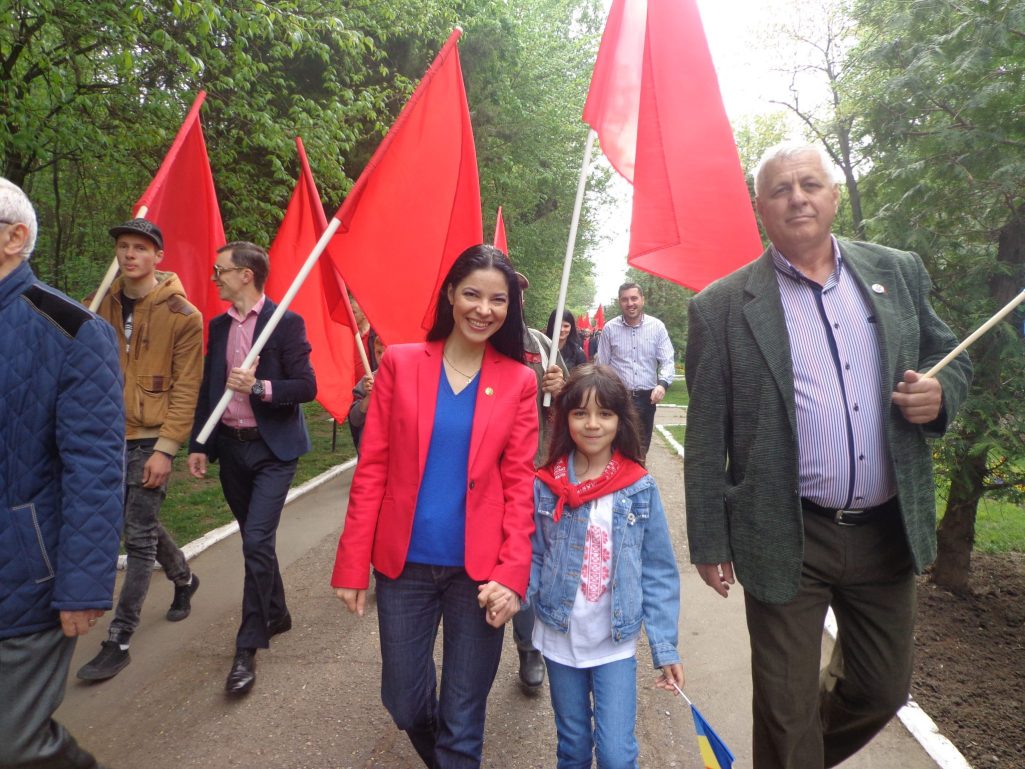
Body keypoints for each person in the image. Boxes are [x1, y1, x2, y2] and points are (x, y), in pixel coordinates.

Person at [684, 142, 973, 769]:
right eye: (780, 189)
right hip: (784, 531)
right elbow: (706, 434)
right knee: (786, 710)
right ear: (760, 207)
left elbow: (956, 355)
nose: (797, 198)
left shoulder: (897, 272)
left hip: (884, 533)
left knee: (881, 688)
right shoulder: (722, 306)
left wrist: (941, 394)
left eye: (810, 184)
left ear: (834, 195)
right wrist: (708, 538)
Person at [332, 244, 539, 769]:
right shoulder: (401, 363)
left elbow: (520, 486)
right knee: (403, 702)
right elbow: (372, 470)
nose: (483, 309)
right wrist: (352, 564)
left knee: (464, 717)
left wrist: (514, 575)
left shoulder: (518, 380)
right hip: (406, 568)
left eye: (497, 299)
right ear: (450, 294)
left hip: (481, 573)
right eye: (472, 293)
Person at [0, 177, 124, 768]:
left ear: (14, 237)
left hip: (22, 580)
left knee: (15, 744)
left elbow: (95, 471)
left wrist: (82, 584)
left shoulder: (73, 332)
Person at [530, 363, 684, 768]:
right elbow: (532, 553)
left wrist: (664, 646)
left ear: (621, 420)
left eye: (605, 413)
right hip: (559, 636)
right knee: (574, 748)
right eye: (580, 413)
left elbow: (658, 569)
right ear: (564, 419)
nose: (592, 424)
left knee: (616, 755)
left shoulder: (638, 486)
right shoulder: (547, 484)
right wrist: (511, 592)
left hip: (614, 642)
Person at [187, 241, 317, 696]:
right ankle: (276, 611)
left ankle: (248, 646)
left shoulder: (286, 324)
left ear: (246, 274)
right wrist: (200, 442)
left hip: (273, 451)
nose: (215, 277)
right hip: (232, 447)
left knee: (257, 539)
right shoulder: (219, 325)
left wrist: (259, 385)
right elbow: (209, 386)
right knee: (253, 541)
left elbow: (306, 387)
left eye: (219, 270)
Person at [77, 218, 203, 682]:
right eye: (123, 247)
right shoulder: (100, 306)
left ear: (157, 257)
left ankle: (120, 638)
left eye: (139, 248)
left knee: (137, 533)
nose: (129, 255)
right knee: (138, 521)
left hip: (151, 436)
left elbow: (187, 389)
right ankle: (185, 578)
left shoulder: (183, 315)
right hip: (105, 431)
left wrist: (167, 449)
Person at [512, 269, 568, 690]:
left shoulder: (539, 344)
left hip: (534, 471)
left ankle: (529, 649)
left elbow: (572, 402)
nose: (509, 300)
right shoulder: (469, 344)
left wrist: (560, 385)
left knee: (528, 562)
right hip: (480, 476)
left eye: (514, 293)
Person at [595, 283, 674, 456]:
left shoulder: (657, 327)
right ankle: (615, 482)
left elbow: (667, 361)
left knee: (640, 450)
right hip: (618, 398)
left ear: (642, 300)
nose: (630, 303)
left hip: (646, 399)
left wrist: (662, 385)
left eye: (634, 298)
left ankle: (638, 481)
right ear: (620, 302)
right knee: (614, 448)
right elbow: (601, 365)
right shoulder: (610, 328)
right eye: (625, 299)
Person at [348, 329, 386, 454]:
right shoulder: (367, 382)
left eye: (387, 352)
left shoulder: (408, 379)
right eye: (378, 352)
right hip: (370, 450)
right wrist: (369, 398)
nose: (382, 357)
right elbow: (354, 419)